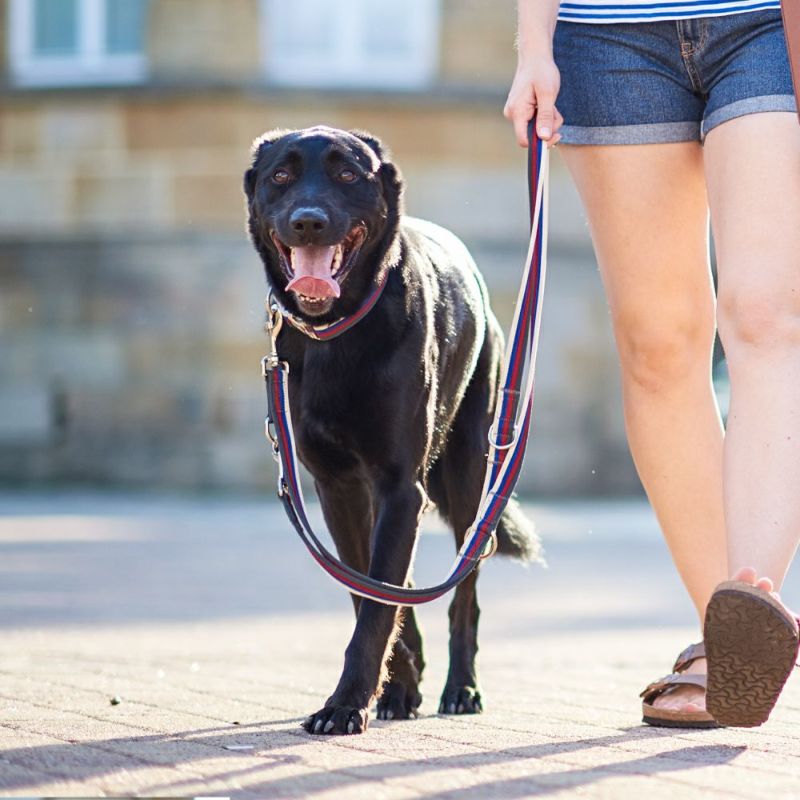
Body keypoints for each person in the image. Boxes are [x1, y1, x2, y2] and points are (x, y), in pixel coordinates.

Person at [504, 0, 800, 727]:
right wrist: (532, 43)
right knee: (657, 345)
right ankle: (722, 641)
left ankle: (749, 614)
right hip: (606, 39)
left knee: (766, 314)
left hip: (764, 22)